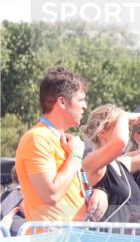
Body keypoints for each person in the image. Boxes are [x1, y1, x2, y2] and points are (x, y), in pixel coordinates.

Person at [14, 66, 103, 223]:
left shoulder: (65, 140)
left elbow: (68, 191)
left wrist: (99, 194)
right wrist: (75, 155)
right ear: (62, 102)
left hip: (73, 240)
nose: (85, 106)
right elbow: (51, 195)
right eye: (81, 100)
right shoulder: (37, 138)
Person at [81, 105, 140, 223]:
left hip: (129, 239)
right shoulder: (89, 162)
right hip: (106, 239)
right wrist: (124, 115)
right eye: (120, 125)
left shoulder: (123, 162)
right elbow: (120, 142)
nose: (127, 130)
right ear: (102, 132)